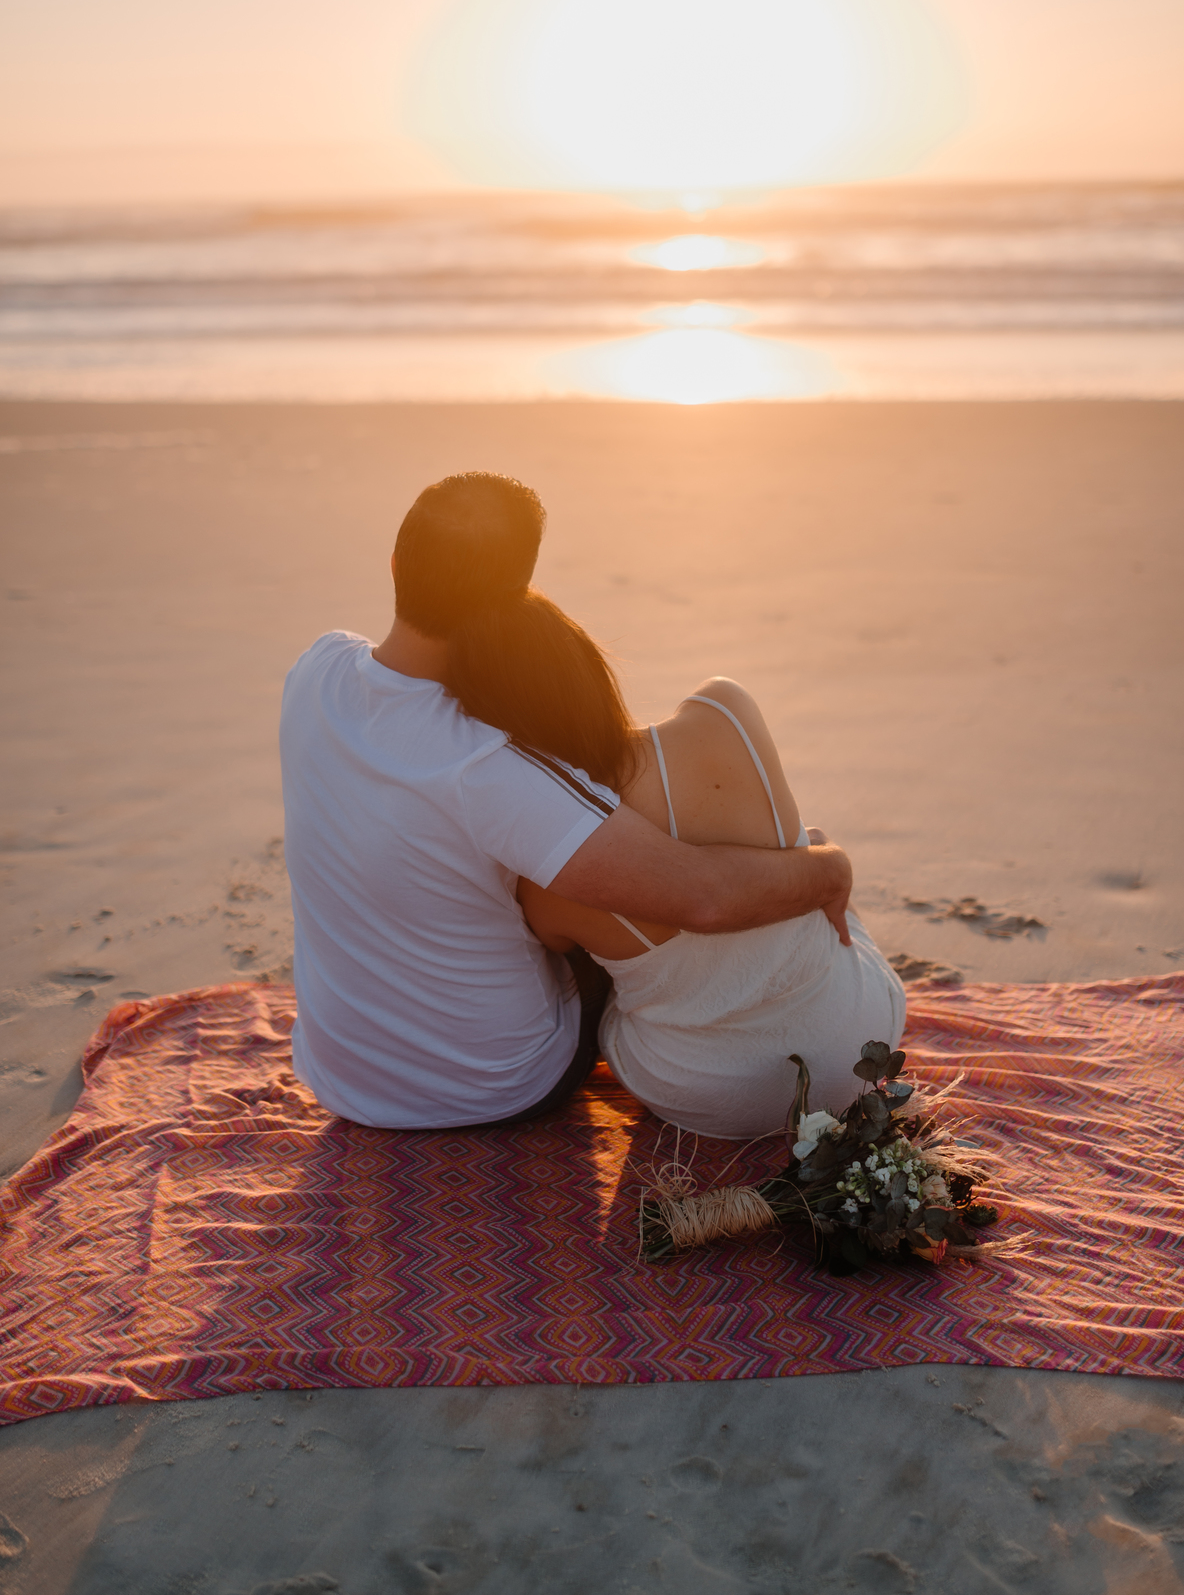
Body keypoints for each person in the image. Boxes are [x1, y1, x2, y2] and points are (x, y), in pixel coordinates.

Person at [280, 471, 854, 1130]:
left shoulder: (314, 672)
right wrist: (826, 869)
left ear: (395, 564)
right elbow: (703, 896)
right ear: (512, 598)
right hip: (498, 1087)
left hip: (344, 1080)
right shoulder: (488, 765)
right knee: (614, 869)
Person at [445, 587, 906, 1138]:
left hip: (710, 1093)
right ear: (588, 664)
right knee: (809, 842)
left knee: (605, 972)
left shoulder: (541, 877)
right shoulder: (723, 712)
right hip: (858, 1050)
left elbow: (564, 956)